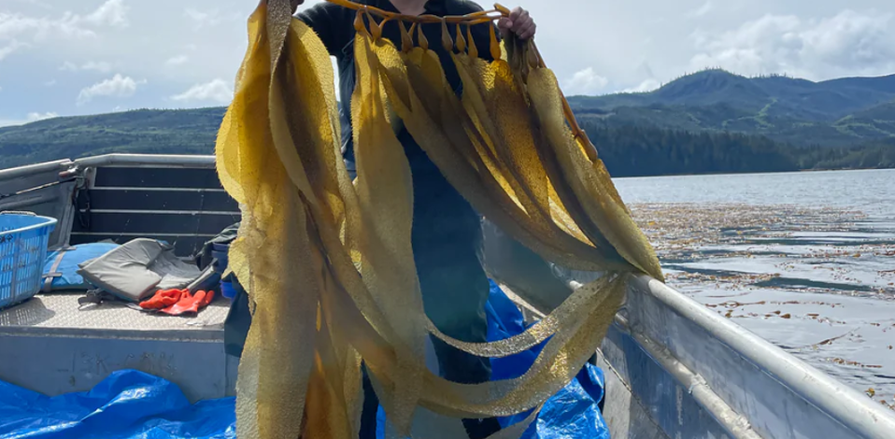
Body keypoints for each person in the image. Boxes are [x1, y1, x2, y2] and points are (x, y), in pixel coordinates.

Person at [289, 0, 536, 437]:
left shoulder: (466, 19)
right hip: (369, 215)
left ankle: (482, 431)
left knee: (464, 346)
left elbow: (508, 92)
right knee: (361, 351)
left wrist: (520, 38)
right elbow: (282, 45)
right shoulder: (345, 15)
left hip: (449, 213)